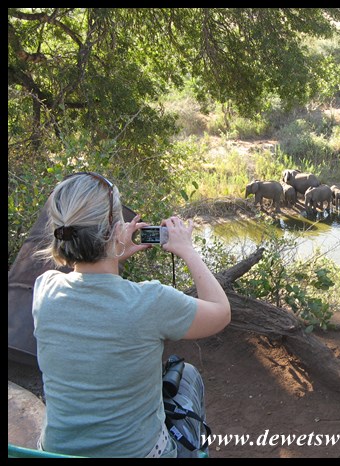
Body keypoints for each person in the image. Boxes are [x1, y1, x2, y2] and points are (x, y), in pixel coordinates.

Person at [31, 171, 231, 457]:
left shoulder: (45, 290)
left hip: (54, 452)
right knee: (188, 375)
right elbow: (221, 312)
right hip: (140, 453)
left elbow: (84, 282)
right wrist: (188, 251)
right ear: (115, 229)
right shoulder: (150, 301)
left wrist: (111, 252)